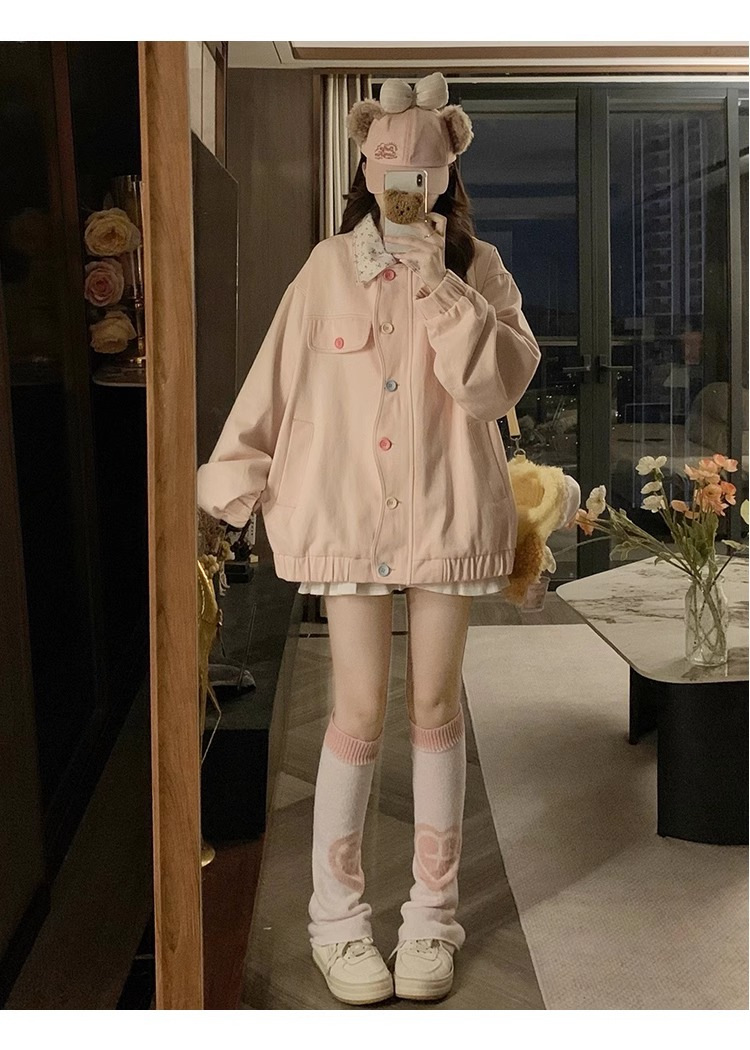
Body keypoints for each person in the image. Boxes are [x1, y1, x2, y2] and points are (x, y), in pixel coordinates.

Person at [197, 71, 542, 1005]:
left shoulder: (478, 267)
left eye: (423, 175)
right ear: (367, 170)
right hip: (349, 510)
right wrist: (233, 482)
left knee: (434, 707)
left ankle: (433, 917)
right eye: (391, 172)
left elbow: (498, 388)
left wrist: (439, 287)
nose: (406, 191)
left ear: (446, 177)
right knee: (353, 712)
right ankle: (337, 922)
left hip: (445, 510)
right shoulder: (325, 268)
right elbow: (275, 377)